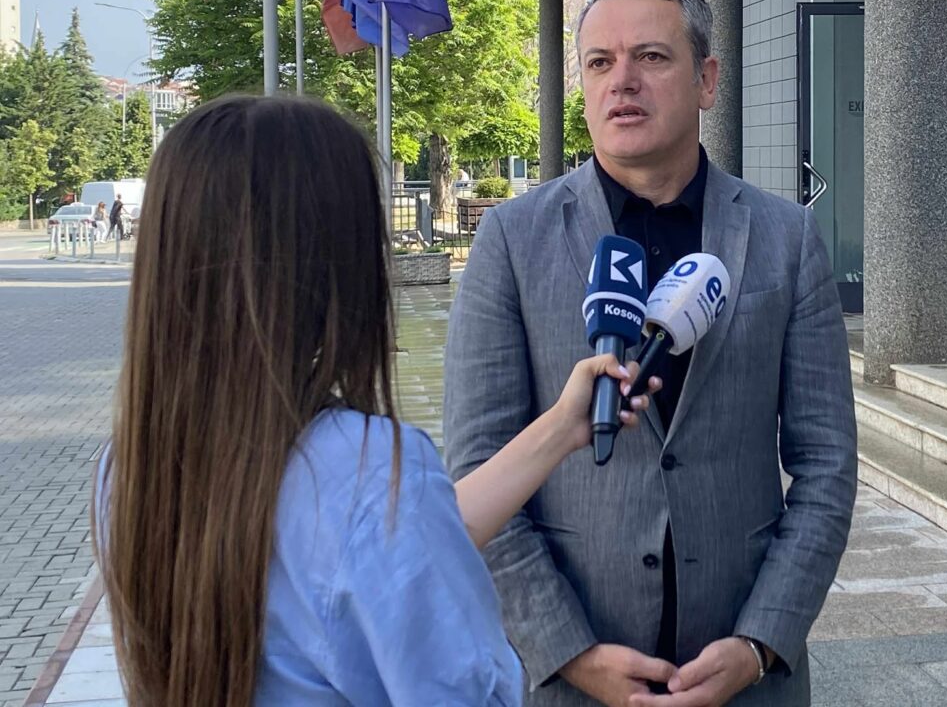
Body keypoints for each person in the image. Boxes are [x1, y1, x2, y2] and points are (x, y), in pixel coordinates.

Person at [92, 95, 661, 707]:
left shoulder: (129, 466)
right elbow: (404, 574)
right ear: (333, 262)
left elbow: (386, 549)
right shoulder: (369, 472)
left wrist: (560, 429)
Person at [443, 0, 858, 707]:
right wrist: (569, 652)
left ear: (706, 80)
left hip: (744, 676)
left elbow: (826, 464)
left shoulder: (785, 238)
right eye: (599, 62)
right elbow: (479, 466)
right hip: (571, 678)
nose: (621, 82)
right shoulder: (512, 239)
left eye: (651, 57)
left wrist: (761, 642)